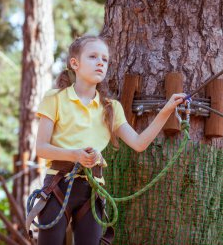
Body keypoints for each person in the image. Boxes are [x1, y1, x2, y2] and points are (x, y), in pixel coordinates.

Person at [35, 35, 186, 245]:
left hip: (92, 191)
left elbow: (139, 143)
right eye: (93, 56)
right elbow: (41, 148)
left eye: (105, 59)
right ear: (74, 63)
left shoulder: (111, 108)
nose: (100, 62)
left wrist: (167, 109)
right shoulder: (55, 98)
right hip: (58, 185)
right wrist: (75, 154)